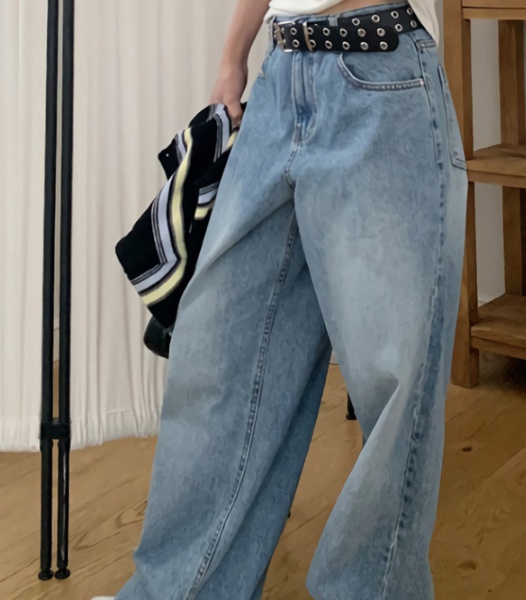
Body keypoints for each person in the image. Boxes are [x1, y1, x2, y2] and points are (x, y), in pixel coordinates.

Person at [95, 0, 467, 598]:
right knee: (219, 355)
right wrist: (232, 58)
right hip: (281, 76)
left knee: (394, 379)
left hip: (382, 71)